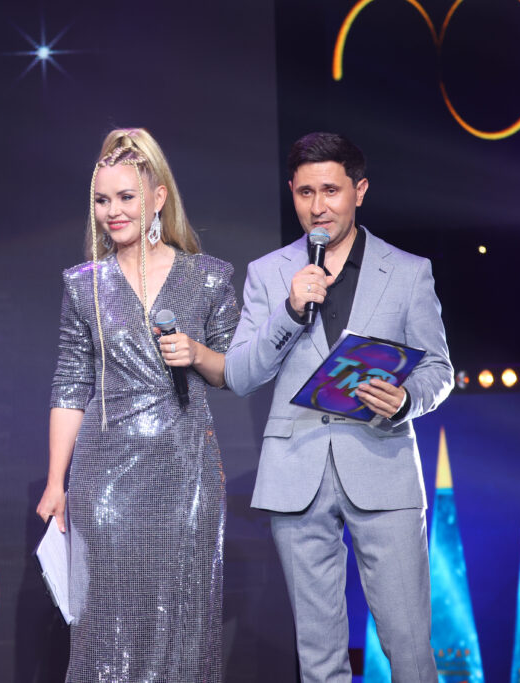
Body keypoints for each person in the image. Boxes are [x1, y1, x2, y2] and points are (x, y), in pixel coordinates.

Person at [225, 132, 453, 683]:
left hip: (382, 466)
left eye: (331, 190)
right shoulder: (269, 273)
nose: (318, 206)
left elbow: (439, 370)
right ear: (292, 193)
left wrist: (404, 400)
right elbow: (240, 374)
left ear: (360, 190)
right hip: (295, 470)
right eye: (305, 193)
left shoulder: (407, 271)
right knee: (319, 656)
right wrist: (288, 310)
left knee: (409, 647)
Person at [36, 128, 240, 682]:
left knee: (183, 618)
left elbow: (234, 372)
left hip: (186, 470)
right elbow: (70, 383)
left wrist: (197, 353)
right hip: (104, 476)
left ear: (157, 197)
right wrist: (56, 482)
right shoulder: (84, 285)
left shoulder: (209, 278)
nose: (113, 211)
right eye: (102, 200)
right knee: (107, 625)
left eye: (126, 197)